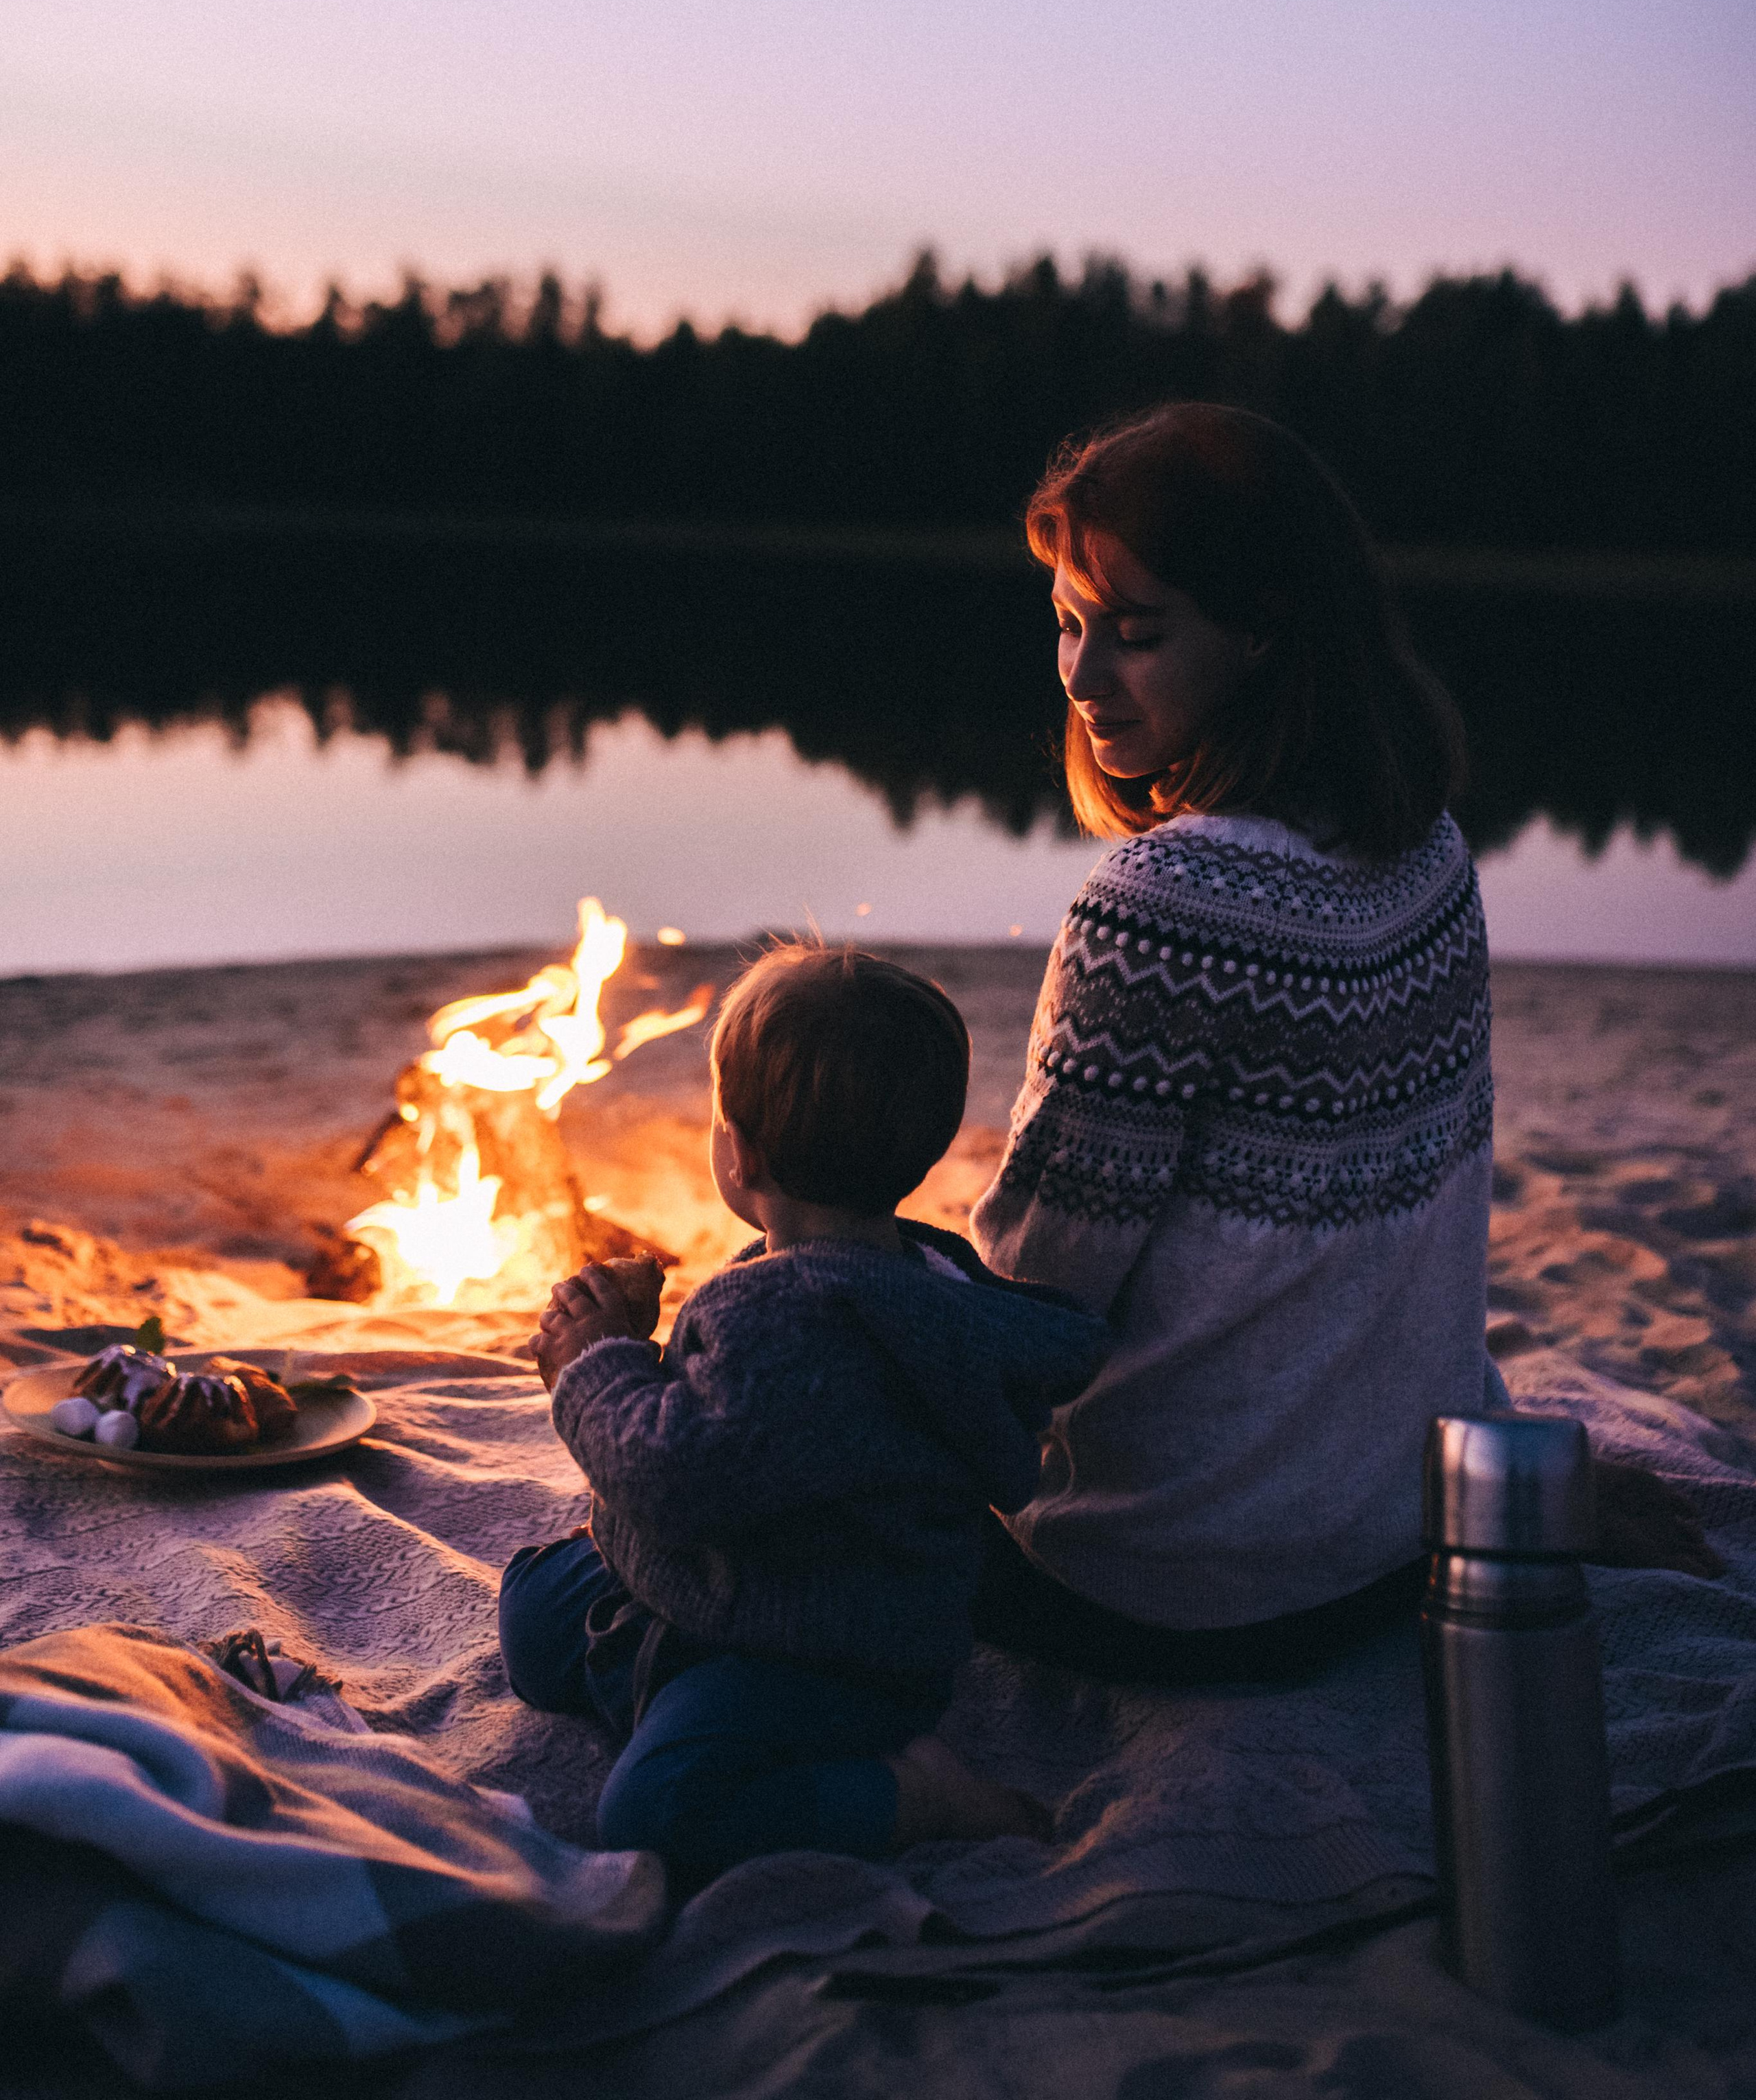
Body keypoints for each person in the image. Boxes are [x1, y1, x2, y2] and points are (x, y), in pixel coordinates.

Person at [969, 400, 1717, 1688]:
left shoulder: (1155, 910)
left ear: (1264, 631)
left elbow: (1043, 1298)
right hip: (1390, 1545)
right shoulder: (1428, 852)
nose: (1085, 679)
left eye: (1138, 635)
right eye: (1069, 625)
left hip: (1156, 1587)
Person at [499, 943, 1108, 1887]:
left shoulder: (786, 1314)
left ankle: (915, 1796)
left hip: (820, 1648)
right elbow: (748, 1428)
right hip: (768, 1575)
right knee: (534, 1617)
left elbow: (675, 1479)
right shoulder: (924, 1276)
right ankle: (654, 1671)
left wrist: (595, 1366)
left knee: (656, 1813)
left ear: (735, 1156)